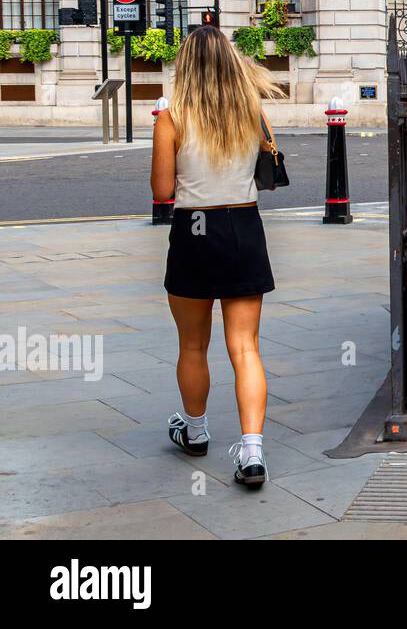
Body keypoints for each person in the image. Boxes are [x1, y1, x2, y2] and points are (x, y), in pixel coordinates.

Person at [151, 25, 283, 489]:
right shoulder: (251, 108)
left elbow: (163, 191)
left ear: (184, 66)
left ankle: (196, 431)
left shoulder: (171, 116)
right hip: (243, 227)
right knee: (245, 348)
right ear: (230, 61)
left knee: (192, 345)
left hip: (194, 230)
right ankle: (251, 454)